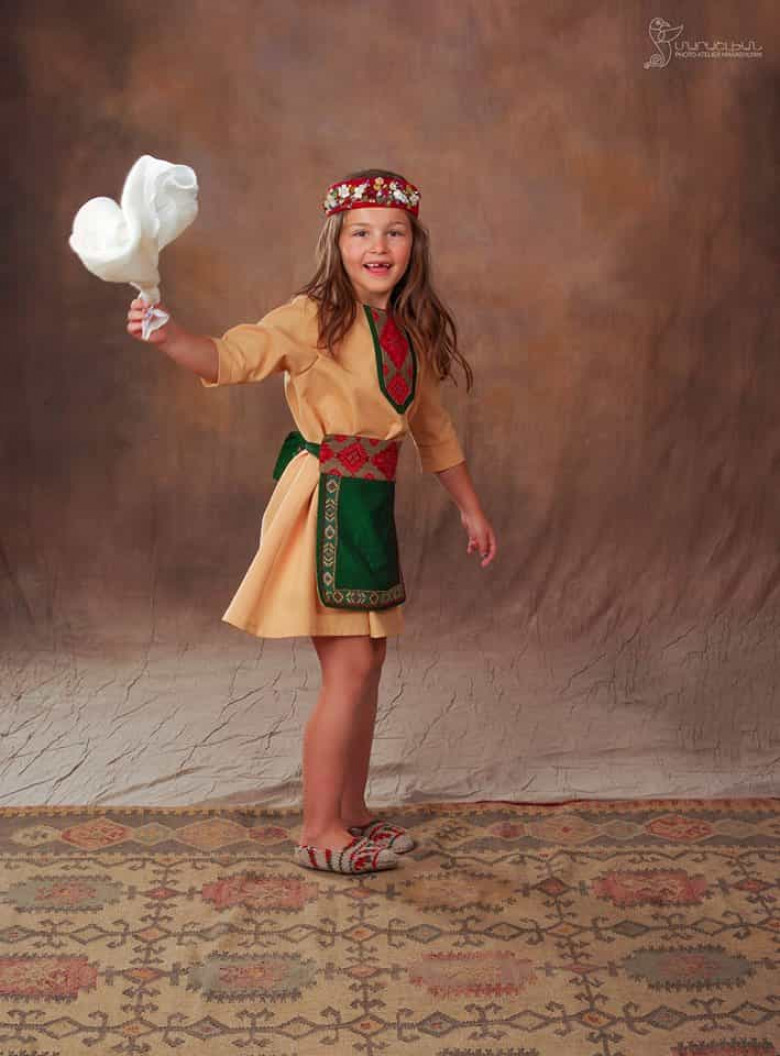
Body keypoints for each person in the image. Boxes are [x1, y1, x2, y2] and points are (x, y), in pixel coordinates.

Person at [126, 167, 497, 875]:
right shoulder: (311, 316)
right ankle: (319, 830)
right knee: (349, 666)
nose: (377, 247)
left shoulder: (409, 332)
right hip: (324, 501)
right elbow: (232, 356)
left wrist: (470, 508)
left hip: (370, 504)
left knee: (370, 662)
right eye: (361, 233)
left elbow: (433, 430)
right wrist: (170, 336)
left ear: (414, 244)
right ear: (337, 242)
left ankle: (351, 811)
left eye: (393, 233)